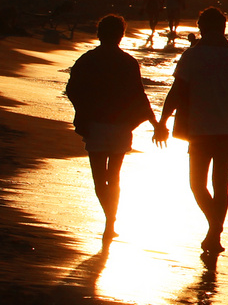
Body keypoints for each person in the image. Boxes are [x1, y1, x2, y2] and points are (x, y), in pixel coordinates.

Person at [158, 7, 228, 254]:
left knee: (197, 184)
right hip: (227, 130)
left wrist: (162, 121)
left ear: (202, 28)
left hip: (199, 129)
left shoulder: (192, 56)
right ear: (223, 29)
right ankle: (214, 232)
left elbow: (176, 92)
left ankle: (214, 228)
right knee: (220, 186)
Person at [64, 14, 167, 241]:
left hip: (96, 126)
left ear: (99, 34)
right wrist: (155, 123)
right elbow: (140, 97)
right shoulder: (128, 62)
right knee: (115, 177)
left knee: (100, 179)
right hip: (120, 128)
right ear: (121, 35)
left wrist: (82, 112)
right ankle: (111, 222)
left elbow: (72, 89)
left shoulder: (87, 60)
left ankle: (109, 219)